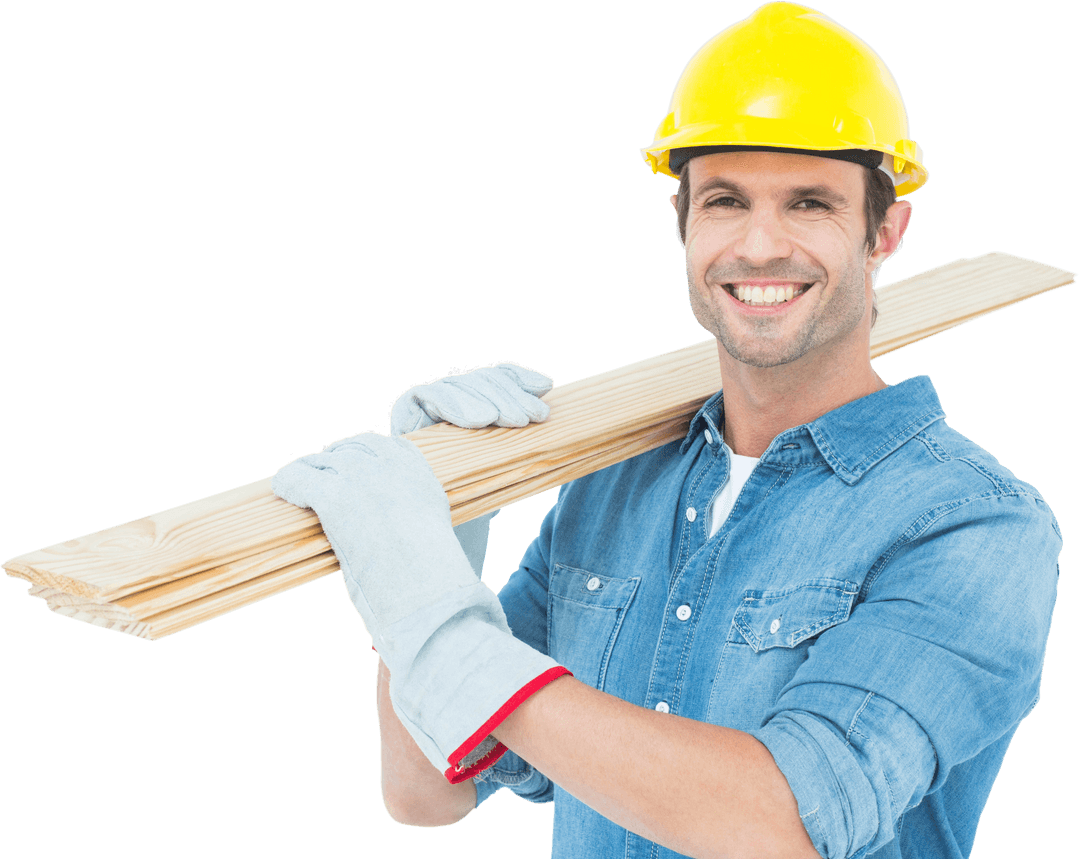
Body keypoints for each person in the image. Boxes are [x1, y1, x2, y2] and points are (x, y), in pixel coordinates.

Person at [271, 3, 1060, 858]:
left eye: (809, 203)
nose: (761, 244)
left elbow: (784, 822)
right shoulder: (613, 484)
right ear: (682, 220)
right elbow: (429, 789)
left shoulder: (975, 526)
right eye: (725, 200)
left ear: (885, 232)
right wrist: (438, 548)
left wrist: (452, 638)